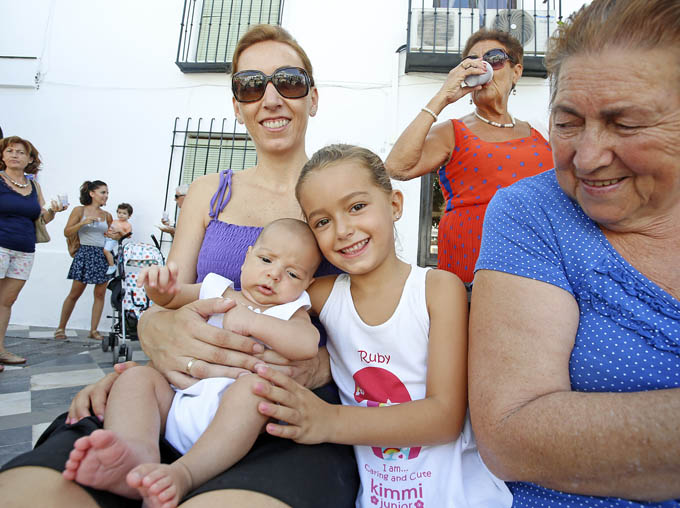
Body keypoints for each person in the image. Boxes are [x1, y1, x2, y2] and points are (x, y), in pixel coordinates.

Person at [0, 24, 359, 508]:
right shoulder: (211, 190)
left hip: (280, 412)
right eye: (251, 85)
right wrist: (150, 335)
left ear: (313, 97)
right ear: (237, 105)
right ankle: (133, 451)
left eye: (289, 81)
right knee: (36, 492)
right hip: (179, 395)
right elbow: (170, 293)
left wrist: (320, 368)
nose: (270, 98)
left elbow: (376, 322)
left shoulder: (343, 197)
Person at [468, 0, 680, 506]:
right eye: (566, 123)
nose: (587, 158)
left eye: (625, 124)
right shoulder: (531, 211)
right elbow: (510, 431)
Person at [250, 145, 511, 507]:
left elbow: (444, 417)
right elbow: (252, 299)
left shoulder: (437, 289)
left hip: (462, 497)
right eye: (322, 221)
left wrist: (327, 421)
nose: (342, 230)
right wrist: (168, 312)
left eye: (357, 207)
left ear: (395, 205)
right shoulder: (322, 296)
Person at [63, 218, 322, 508]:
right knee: (136, 379)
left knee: (255, 390)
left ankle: (183, 474)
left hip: (237, 422)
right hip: (178, 398)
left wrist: (256, 322)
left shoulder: (291, 310)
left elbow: (307, 344)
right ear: (247, 257)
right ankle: (132, 457)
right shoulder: (217, 289)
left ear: (308, 284)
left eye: (292, 274)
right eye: (265, 259)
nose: (274, 275)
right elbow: (172, 298)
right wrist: (160, 287)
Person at [385, 28, 552, 287]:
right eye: (471, 62)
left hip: (538, 271)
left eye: (494, 58)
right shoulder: (453, 132)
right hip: (468, 273)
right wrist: (442, 97)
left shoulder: (543, 133)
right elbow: (397, 167)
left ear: (516, 72)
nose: (481, 67)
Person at [0, 136, 67, 369]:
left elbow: (40, 220)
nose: (15, 155)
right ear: (2, 155)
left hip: (24, 249)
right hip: (0, 245)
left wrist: (54, 212)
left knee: (6, 301)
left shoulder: (34, 186)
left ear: (30, 159)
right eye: (10, 150)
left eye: (21, 152)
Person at [54, 181, 117, 341]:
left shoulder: (107, 215)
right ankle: (61, 328)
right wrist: (83, 222)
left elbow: (110, 236)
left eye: (107, 193)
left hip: (101, 255)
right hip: (85, 253)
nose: (106, 195)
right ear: (92, 193)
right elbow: (67, 232)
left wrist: (116, 235)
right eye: (103, 192)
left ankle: (94, 330)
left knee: (100, 293)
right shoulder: (79, 210)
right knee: (75, 293)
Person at [103, 203, 133, 275]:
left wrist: (120, 230)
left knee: (106, 251)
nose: (121, 215)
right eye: (119, 213)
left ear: (129, 216)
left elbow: (128, 236)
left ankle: (112, 266)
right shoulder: (114, 221)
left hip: (113, 240)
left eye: (124, 213)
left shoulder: (127, 225)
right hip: (106, 237)